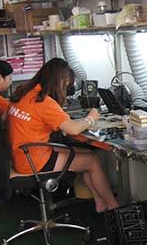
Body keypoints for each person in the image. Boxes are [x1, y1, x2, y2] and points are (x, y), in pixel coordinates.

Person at [8, 58, 119, 213]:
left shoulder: (24, 92)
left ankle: (100, 202)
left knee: (87, 154)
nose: (65, 90)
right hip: (35, 161)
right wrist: (91, 117)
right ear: (58, 82)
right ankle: (114, 206)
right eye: (65, 86)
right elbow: (73, 130)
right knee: (92, 161)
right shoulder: (43, 102)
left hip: (22, 155)